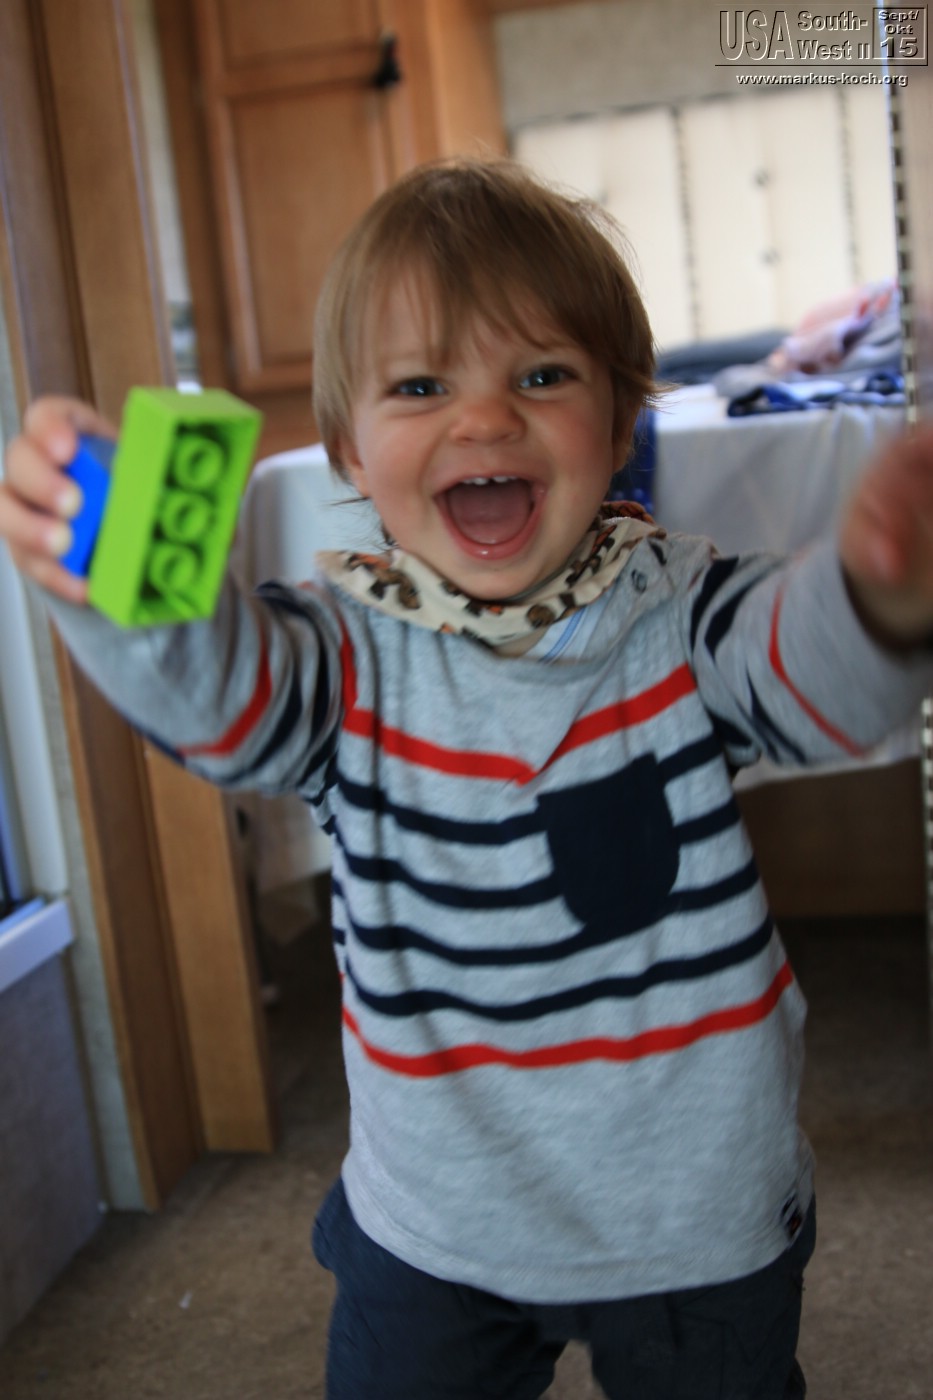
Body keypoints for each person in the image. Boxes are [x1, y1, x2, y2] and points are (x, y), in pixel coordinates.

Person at [3, 159, 933, 1400]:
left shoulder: (685, 612)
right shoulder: (343, 654)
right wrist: (120, 577)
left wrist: (876, 591)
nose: (484, 420)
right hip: (437, 1214)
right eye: (421, 384)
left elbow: (810, 667)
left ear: (621, 422)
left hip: (692, 1204)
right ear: (348, 447)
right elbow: (223, 696)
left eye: (542, 376)